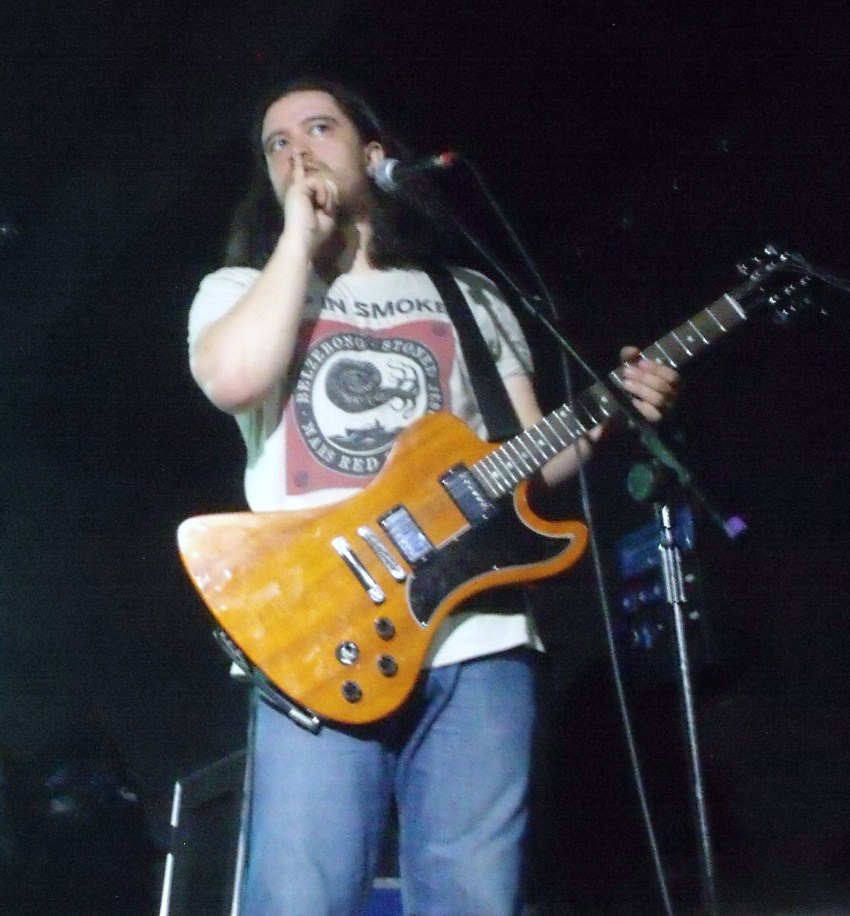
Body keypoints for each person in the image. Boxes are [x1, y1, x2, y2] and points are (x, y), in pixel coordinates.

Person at [187, 77, 678, 916]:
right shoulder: (239, 289)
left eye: (318, 128)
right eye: (277, 144)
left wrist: (609, 415)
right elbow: (235, 380)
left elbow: (524, 456)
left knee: (474, 896)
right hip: (321, 631)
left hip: (476, 630)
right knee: (301, 896)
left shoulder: (467, 294)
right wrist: (299, 241)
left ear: (375, 155)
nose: (297, 150)